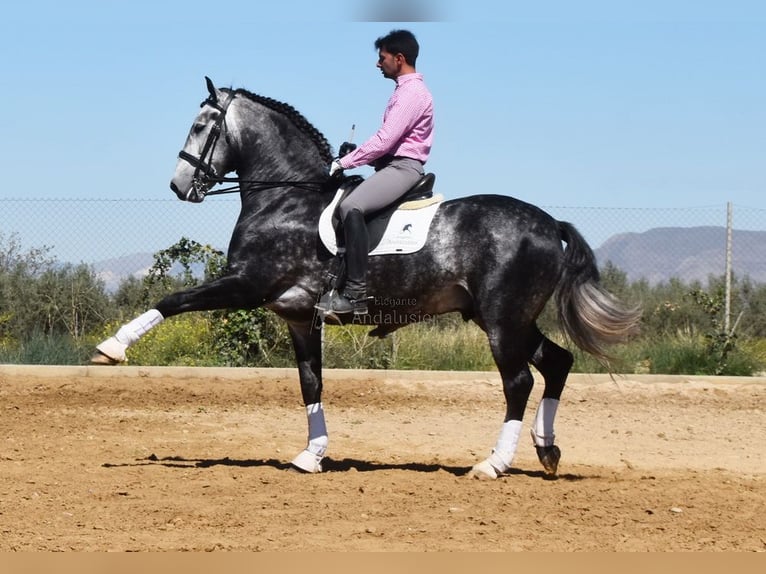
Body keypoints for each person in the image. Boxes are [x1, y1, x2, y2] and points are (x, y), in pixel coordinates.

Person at [316, 29, 434, 316]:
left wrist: (343, 163)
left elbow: (385, 140)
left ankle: (355, 293)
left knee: (351, 206)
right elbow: (387, 145)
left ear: (399, 58)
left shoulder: (412, 93)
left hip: (403, 169)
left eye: (382, 58)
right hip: (393, 165)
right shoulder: (404, 91)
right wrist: (355, 154)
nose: (378, 63)